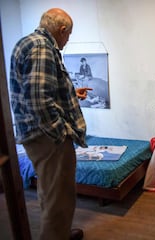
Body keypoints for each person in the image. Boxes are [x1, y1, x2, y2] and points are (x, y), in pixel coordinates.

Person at [10, 8, 92, 240]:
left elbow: (37, 91)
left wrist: (71, 93)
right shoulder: (43, 47)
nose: (68, 40)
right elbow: (38, 101)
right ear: (62, 30)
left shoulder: (27, 43)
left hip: (35, 134)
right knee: (60, 199)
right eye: (69, 35)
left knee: (49, 194)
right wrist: (61, 134)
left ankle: (60, 233)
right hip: (47, 137)